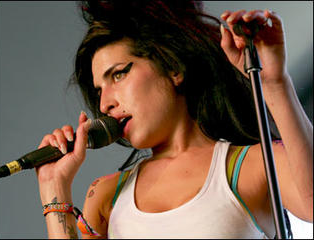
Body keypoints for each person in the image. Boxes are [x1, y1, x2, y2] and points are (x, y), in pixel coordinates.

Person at [35, 0, 313, 238]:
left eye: (118, 74)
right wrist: (53, 187)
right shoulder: (106, 195)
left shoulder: (254, 164)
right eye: (98, 91)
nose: (105, 103)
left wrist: (275, 82)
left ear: (173, 67)